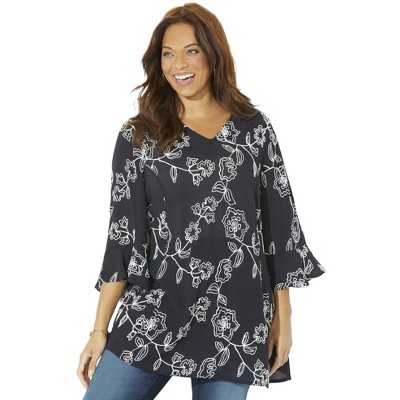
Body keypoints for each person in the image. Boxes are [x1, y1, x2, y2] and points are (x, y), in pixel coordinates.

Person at [77, 3, 326, 400]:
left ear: (213, 54)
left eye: (191, 50)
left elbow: (278, 229)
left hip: (235, 315)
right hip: (155, 309)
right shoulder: (139, 137)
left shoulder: (254, 130)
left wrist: (284, 316)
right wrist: (99, 330)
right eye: (168, 54)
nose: (179, 64)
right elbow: (123, 237)